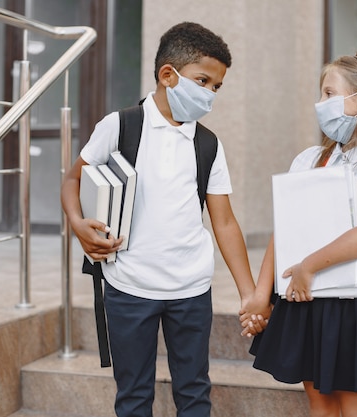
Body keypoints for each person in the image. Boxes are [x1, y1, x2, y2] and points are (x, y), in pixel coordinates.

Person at [61, 22, 256, 417]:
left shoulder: (208, 144)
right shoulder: (119, 126)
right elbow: (72, 179)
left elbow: (225, 223)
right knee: (133, 396)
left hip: (191, 289)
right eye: (203, 81)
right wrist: (78, 225)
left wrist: (249, 292)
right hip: (129, 287)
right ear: (168, 75)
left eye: (216, 87)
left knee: (194, 393)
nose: (210, 95)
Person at [239, 52, 357, 417]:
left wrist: (308, 265)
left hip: (355, 297)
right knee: (318, 402)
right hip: (306, 294)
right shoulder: (309, 159)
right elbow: (284, 231)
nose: (320, 104)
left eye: (328, 93)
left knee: (353, 404)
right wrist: (261, 295)